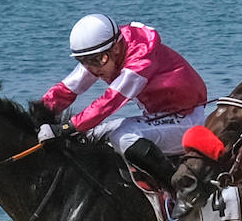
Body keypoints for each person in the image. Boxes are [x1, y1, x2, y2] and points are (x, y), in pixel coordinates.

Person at [39, 14, 208, 197]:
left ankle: (183, 191)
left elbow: (110, 102)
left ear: (117, 48)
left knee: (123, 136)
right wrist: (38, 115)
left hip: (187, 119)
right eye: (85, 62)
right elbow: (67, 89)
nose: (94, 69)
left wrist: (66, 127)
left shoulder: (141, 59)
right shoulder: (103, 53)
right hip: (159, 117)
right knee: (90, 136)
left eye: (98, 60)